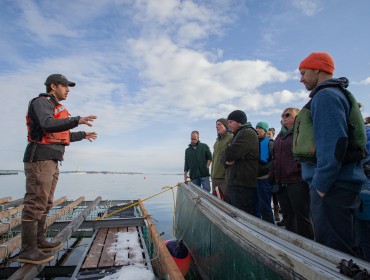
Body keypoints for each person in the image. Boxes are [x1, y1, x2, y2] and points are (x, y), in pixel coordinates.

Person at [293, 52, 367, 255]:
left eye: (303, 72)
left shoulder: (325, 96)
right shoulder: (336, 93)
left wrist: (320, 187)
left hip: (332, 188)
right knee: (348, 248)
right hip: (342, 185)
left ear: (317, 69)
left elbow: (334, 145)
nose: (301, 78)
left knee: (335, 254)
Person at [19, 74, 97, 264]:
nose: (68, 89)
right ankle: (28, 250)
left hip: (51, 160)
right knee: (35, 203)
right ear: (53, 86)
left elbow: (63, 134)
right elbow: (47, 125)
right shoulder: (42, 102)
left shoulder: (54, 107)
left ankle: (39, 242)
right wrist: (77, 119)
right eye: (65, 86)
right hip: (39, 159)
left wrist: (83, 134)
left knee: (45, 203)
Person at [269, 108, 314, 239]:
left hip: (297, 180)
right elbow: (274, 157)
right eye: (282, 115)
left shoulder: (301, 132)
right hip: (281, 181)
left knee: (302, 215)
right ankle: (292, 242)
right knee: (288, 214)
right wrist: (272, 175)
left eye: (287, 115)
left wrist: (298, 169)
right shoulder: (279, 136)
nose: (283, 117)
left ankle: (309, 245)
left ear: (297, 117)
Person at [222, 110, 259, 214]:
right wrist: (226, 160)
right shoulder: (238, 134)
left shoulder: (247, 133)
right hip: (236, 183)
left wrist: (226, 154)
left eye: (230, 122)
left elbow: (229, 154)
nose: (228, 125)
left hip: (242, 184)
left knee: (242, 217)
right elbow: (224, 156)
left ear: (239, 122)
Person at [255, 121, 274, 223]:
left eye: (260, 128)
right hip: (254, 180)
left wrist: (263, 170)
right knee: (255, 207)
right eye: (256, 128)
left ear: (265, 131)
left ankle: (270, 230)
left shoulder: (270, 143)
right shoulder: (253, 143)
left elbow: (274, 160)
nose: (257, 130)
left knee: (265, 207)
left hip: (264, 179)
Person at [211, 118, 233, 201]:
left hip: (225, 178)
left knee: (225, 202)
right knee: (216, 201)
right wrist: (212, 173)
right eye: (216, 125)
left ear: (226, 126)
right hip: (214, 177)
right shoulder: (217, 142)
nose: (217, 127)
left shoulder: (231, 137)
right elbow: (214, 158)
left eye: (219, 124)